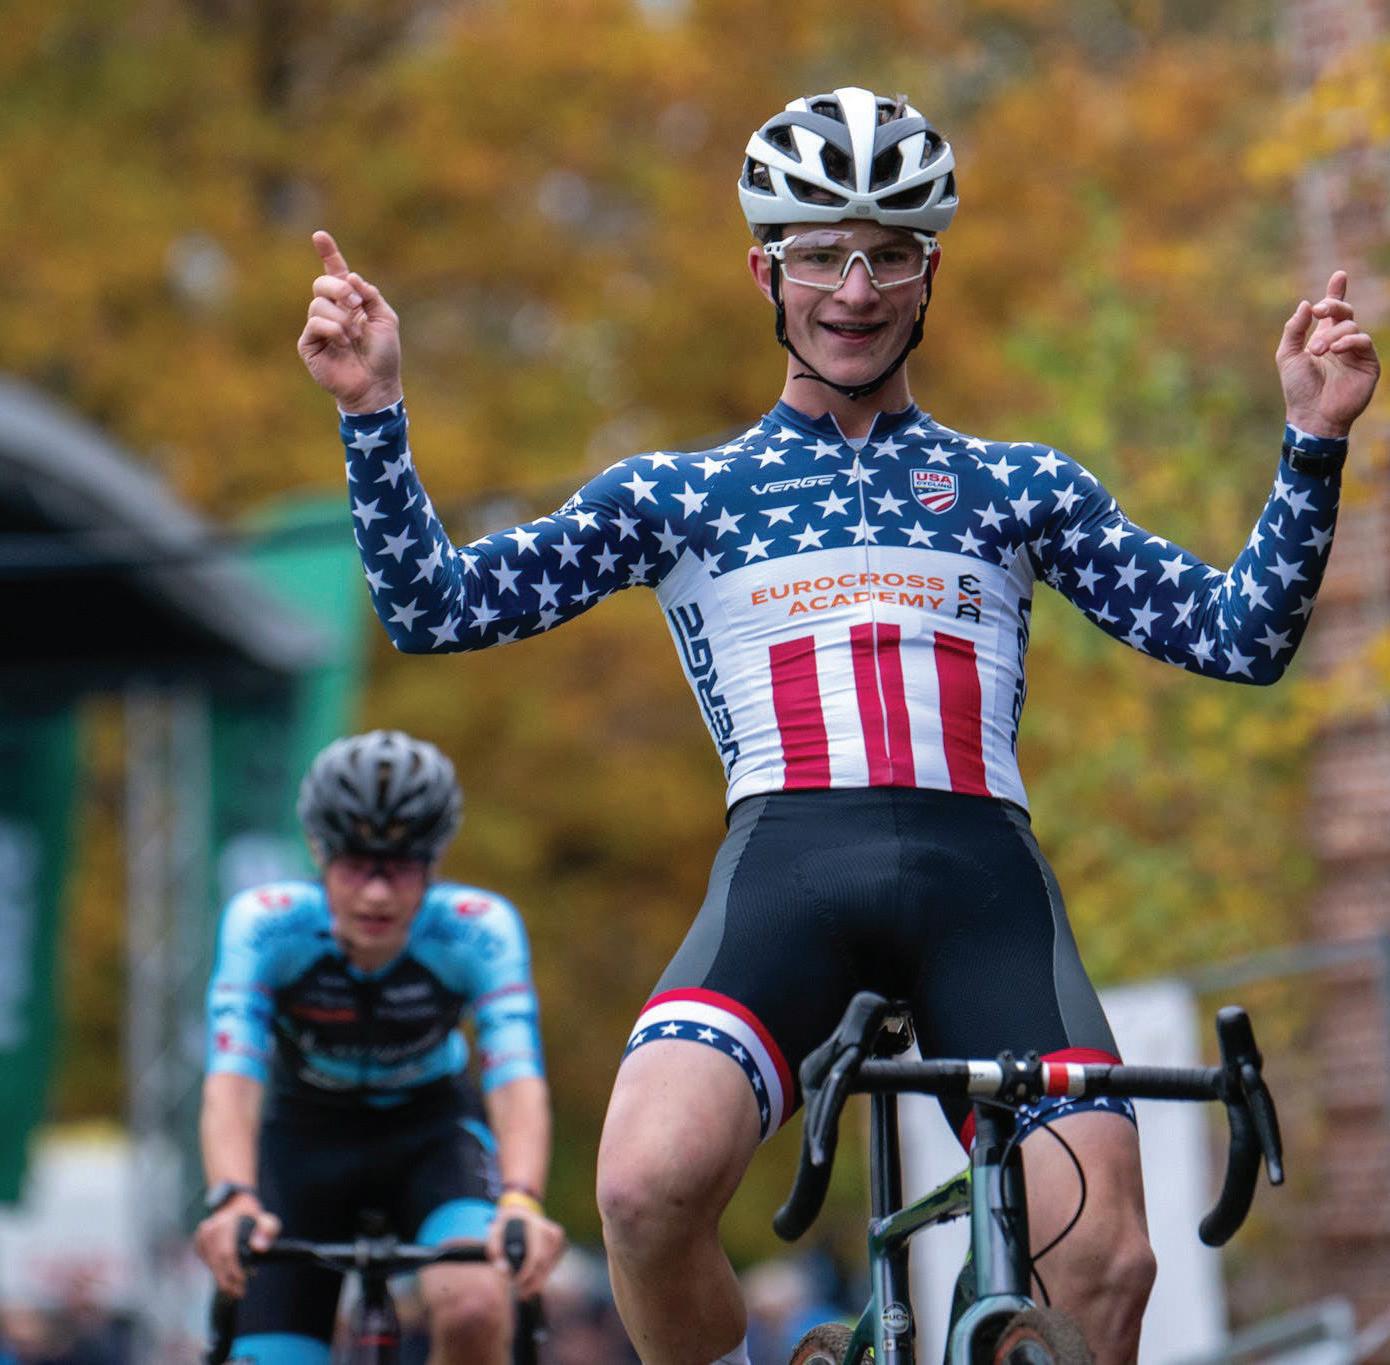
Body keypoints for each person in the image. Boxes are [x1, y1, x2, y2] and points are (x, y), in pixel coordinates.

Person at [296, 86, 1380, 1365]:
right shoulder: (680, 495)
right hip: (786, 883)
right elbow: (435, 610)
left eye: (888, 254)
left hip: (984, 895)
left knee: (1108, 1263)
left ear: (929, 274)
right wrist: (371, 415)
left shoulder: (1019, 483)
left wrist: (1312, 442)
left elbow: (1237, 637)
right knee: (642, 1191)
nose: (854, 290)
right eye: (819, 254)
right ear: (765, 271)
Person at [193, 729, 565, 1365]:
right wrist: (232, 1197)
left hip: (432, 1136)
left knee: (475, 1306)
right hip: (301, 1142)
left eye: (400, 868)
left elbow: (515, 1076)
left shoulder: (478, 930)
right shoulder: (267, 926)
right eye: (355, 865)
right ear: (318, 853)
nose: (376, 894)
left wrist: (522, 1199)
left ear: (433, 863)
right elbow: (232, 1078)